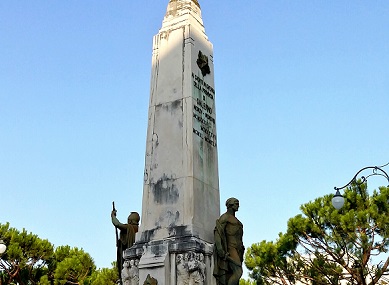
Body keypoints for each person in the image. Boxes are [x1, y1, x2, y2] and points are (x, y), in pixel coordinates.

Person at [213, 198, 244, 285]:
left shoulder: (237, 220)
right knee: (238, 272)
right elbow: (218, 232)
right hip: (231, 249)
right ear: (230, 205)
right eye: (236, 204)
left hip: (238, 250)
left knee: (233, 275)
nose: (238, 206)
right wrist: (220, 248)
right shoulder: (225, 217)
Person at [111, 210, 140, 284]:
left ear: (130, 220)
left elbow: (117, 224)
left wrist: (113, 216)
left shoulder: (129, 227)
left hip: (127, 259)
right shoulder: (140, 229)